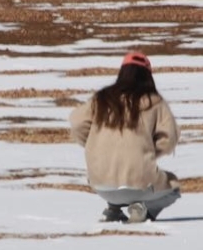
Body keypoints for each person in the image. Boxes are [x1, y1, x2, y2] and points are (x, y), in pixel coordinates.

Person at [68, 50, 181, 223]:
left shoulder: (101, 98)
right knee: (173, 188)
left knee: (113, 169)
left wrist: (94, 145)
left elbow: (77, 123)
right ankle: (142, 210)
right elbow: (169, 137)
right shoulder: (154, 101)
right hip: (139, 184)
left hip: (100, 185)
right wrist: (148, 152)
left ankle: (113, 209)